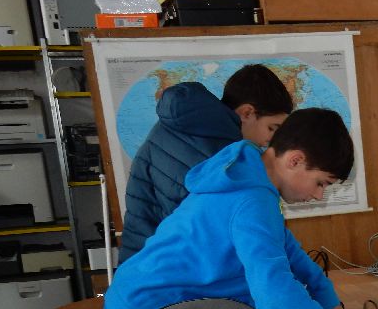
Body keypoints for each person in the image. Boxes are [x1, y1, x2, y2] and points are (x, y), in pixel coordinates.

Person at [103, 108, 378, 309]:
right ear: (295, 160)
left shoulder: (250, 175)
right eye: (321, 183)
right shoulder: (252, 200)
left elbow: (286, 247)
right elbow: (277, 297)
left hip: (149, 298)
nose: (319, 196)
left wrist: (326, 297)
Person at [118, 64, 294, 263]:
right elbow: (214, 236)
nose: (271, 141)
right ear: (247, 113)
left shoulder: (178, 128)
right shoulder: (217, 155)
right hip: (166, 269)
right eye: (272, 128)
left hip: (141, 259)